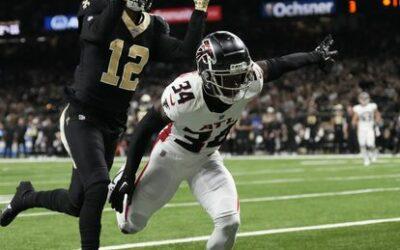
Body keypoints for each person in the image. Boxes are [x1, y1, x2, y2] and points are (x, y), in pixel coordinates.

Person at [0, 0, 209, 249]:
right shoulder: (98, 7)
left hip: (112, 124)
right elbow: (96, 34)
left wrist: (200, 9)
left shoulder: (152, 26)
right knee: (98, 186)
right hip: (82, 114)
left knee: (75, 203)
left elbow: (185, 53)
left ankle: (25, 197)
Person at [109, 31, 337, 249]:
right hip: (171, 156)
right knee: (130, 225)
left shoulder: (250, 79)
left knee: (229, 222)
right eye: (229, 78)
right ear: (207, 75)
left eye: (240, 76)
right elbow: (145, 126)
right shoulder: (186, 93)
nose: (238, 84)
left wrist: (315, 56)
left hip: (208, 159)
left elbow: (278, 65)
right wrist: (129, 173)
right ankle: (118, 178)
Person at [352, 92, 382, 166]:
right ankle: (366, 159)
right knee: (362, 144)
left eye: (365, 98)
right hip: (361, 129)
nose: (364, 100)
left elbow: (377, 114)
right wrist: (354, 124)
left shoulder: (372, 106)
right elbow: (354, 119)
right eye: (362, 98)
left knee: (370, 144)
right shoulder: (357, 108)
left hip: (369, 128)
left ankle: (374, 151)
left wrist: (377, 123)